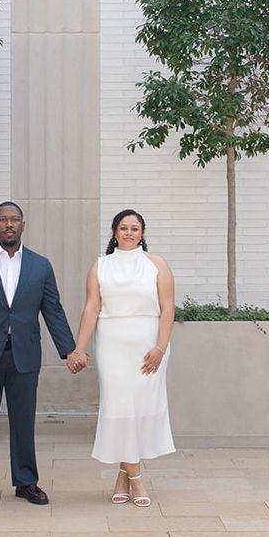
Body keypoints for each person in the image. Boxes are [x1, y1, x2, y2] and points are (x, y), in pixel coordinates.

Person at [0, 201, 78, 506]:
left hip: (24, 355)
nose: (9, 224)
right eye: (3, 219)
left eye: (15, 219)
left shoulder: (40, 265)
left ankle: (26, 482)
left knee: (24, 421)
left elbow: (53, 310)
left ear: (23, 225)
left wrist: (69, 350)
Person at [67, 208, 175, 504]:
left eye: (134, 228)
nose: (129, 232)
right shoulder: (100, 266)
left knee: (138, 410)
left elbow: (168, 308)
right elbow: (92, 307)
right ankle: (136, 480)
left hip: (149, 347)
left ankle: (123, 476)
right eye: (123, 228)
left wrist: (160, 348)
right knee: (120, 407)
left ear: (142, 233)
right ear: (114, 233)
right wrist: (79, 348)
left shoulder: (157, 264)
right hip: (112, 346)